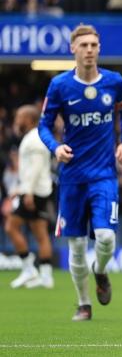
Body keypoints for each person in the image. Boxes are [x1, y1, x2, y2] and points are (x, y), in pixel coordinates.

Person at [38, 24, 122, 321]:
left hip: (104, 174)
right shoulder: (59, 85)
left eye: (94, 45)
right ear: (73, 49)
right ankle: (83, 304)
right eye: (84, 45)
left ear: (99, 48)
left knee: (105, 237)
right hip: (72, 177)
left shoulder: (114, 82)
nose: (89, 50)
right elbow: (44, 125)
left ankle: (100, 271)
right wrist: (55, 147)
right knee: (77, 247)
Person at [5, 105, 54, 289]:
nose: (17, 120)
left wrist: (28, 192)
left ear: (29, 119)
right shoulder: (36, 136)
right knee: (40, 233)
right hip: (39, 190)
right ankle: (46, 276)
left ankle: (28, 268)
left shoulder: (35, 138)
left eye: (20, 116)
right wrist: (22, 189)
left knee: (11, 226)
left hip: (34, 192)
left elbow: (35, 168)